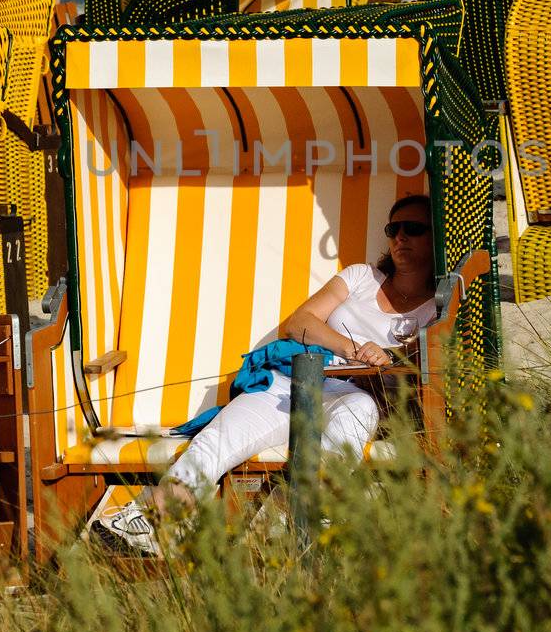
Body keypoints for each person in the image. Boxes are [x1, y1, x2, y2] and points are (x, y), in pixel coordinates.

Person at [92, 194, 437, 556]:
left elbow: (416, 374)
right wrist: (352, 348)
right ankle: (150, 522)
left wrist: (386, 359)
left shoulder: (435, 307)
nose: (400, 237)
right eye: (393, 229)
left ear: (435, 238)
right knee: (217, 440)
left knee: (360, 409)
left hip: (356, 395)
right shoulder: (362, 277)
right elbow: (299, 324)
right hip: (295, 380)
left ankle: (300, 520)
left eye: (412, 229)